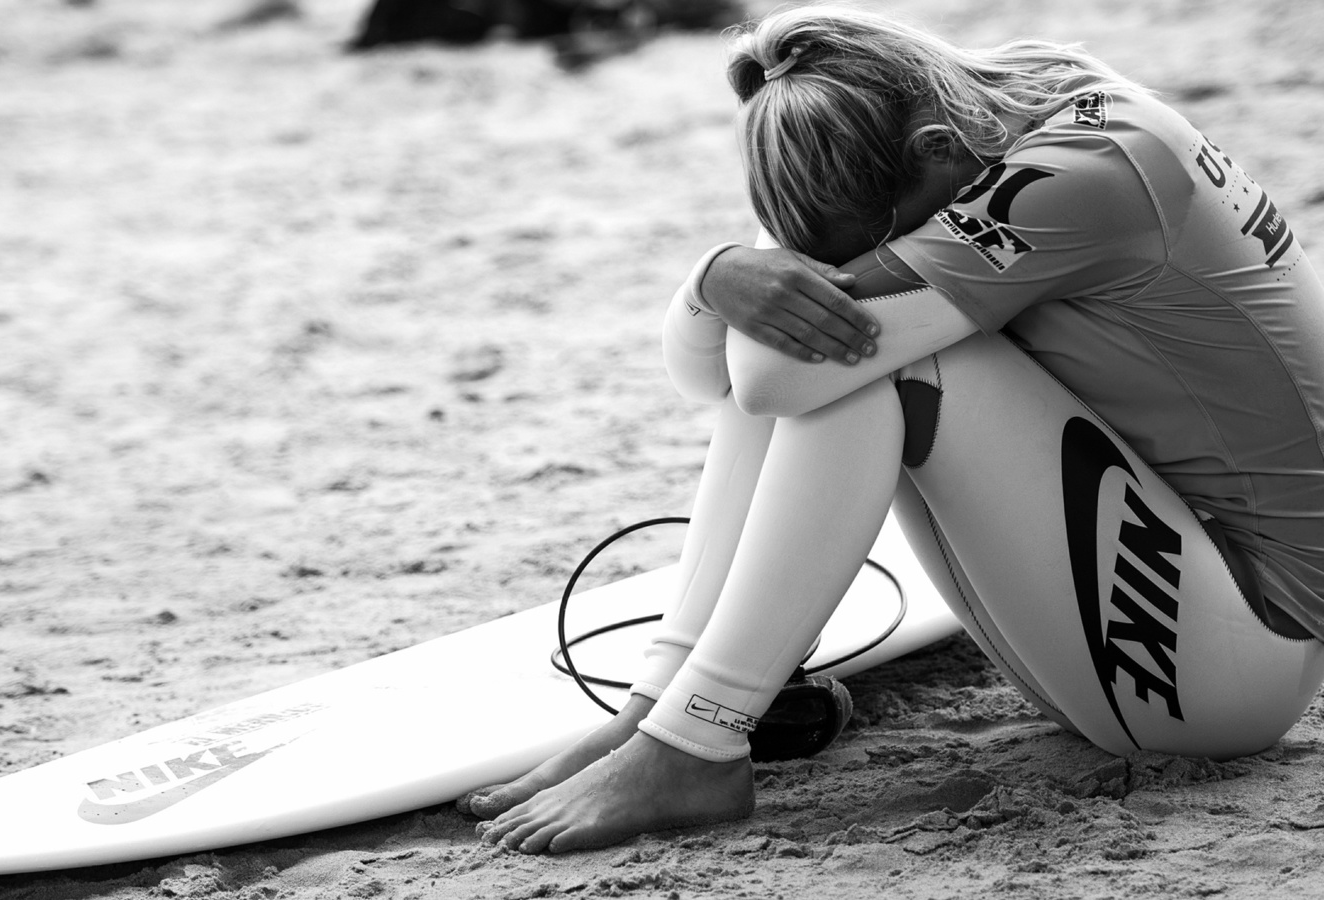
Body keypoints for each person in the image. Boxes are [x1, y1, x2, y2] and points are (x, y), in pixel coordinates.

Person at [457, 4, 1324, 854]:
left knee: (871, 366)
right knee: (829, 342)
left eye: (859, 246)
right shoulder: (982, 97)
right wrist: (717, 278)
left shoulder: (1083, 177)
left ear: (934, 158)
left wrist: (743, 283)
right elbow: (716, 380)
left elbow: (761, 380)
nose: (840, 268)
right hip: (1164, 633)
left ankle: (698, 740)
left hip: (1234, 665)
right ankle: (662, 711)